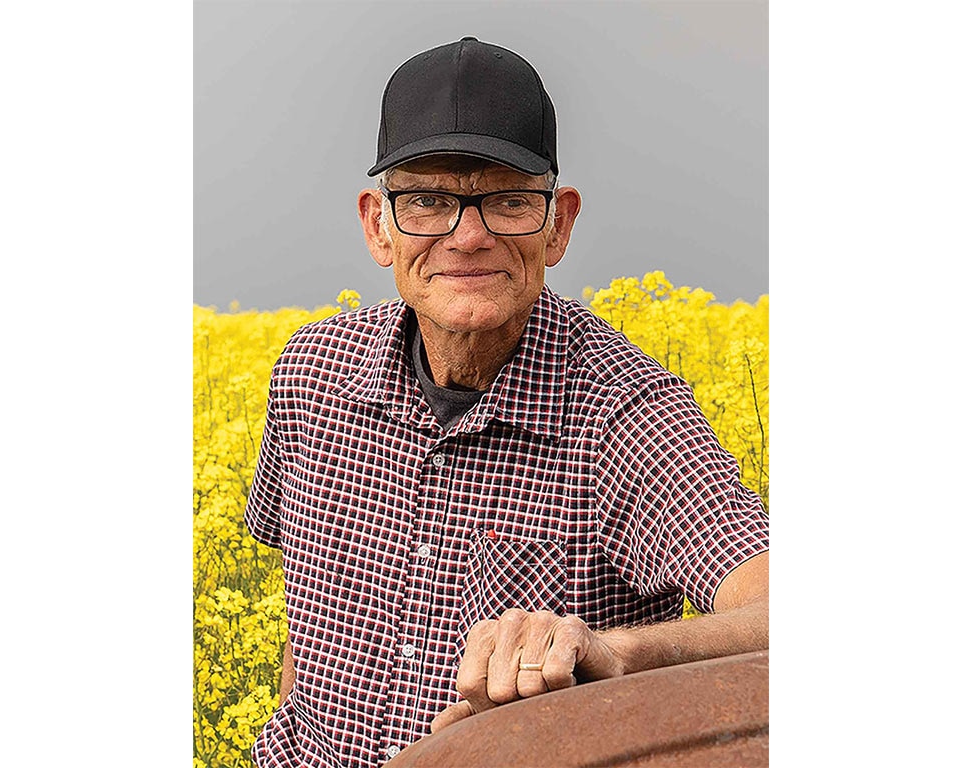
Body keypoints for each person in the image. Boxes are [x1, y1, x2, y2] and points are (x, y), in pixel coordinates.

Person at [244, 36, 768, 768]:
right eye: (427, 200)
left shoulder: (625, 415)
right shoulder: (310, 375)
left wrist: (614, 652)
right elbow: (307, 628)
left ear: (558, 225)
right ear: (376, 225)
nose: (469, 236)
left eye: (509, 201)